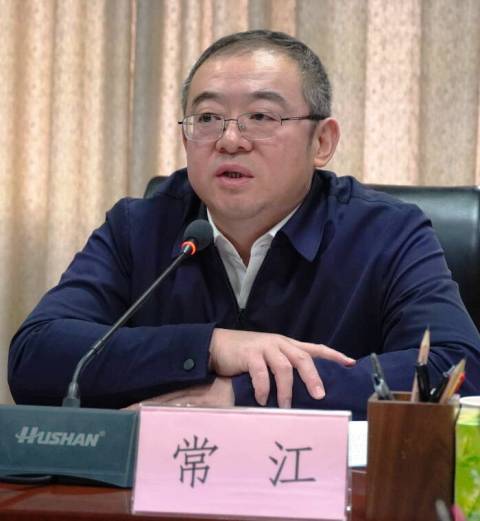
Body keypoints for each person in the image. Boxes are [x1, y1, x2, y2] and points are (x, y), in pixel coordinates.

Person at [8, 30, 480, 419]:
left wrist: (239, 395)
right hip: (164, 487)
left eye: (260, 116)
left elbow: (458, 369)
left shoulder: (385, 233)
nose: (230, 140)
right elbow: (36, 355)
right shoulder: (140, 226)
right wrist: (210, 347)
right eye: (208, 117)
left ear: (321, 141)